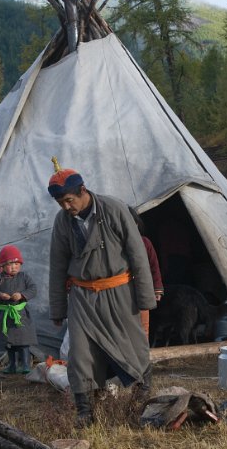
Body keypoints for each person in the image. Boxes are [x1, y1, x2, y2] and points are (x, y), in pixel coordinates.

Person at [47, 158, 156, 428]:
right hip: (83, 298)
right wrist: (58, 309)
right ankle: (86, 411)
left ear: (83, 191)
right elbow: (57, 265)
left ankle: (141, 396)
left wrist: (144, 299)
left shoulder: (115, 210)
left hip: (118, 293)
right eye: (61, 203)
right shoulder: (62, 222)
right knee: (80, 354)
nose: (66, 207)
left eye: (69, 200)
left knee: (132, 346)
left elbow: (138, 255)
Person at [0, 245, 38, 374]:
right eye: (10, 264)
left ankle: (25, 365)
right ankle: (12, 365)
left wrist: (21, 295)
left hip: (20, 315)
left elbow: (33, 289)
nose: (13, 267)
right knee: (9, 342)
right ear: (2, 266)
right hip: (4, 315)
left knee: (23, 341)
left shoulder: (24, 277)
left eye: (16, 263)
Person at [128, 206, 164, 339]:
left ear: (137, 224)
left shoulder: (145, 243)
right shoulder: (116, 245)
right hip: (123, 290)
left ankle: (143, 353)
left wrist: (157, 288)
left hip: (143, 288)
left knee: (143, 323)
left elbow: (154, 266)